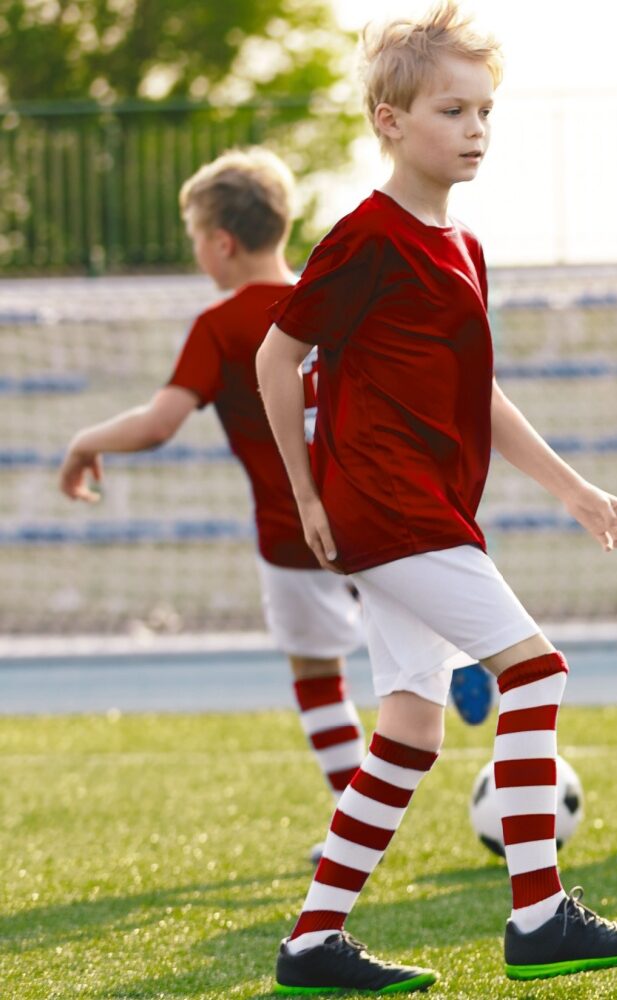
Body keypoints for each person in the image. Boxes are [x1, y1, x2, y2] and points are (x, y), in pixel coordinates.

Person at [259, 5, 617, 992]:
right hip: (388, 506)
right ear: (390, 119)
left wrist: (570, 487)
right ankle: (539, 914)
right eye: (452, 109)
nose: (476, 128)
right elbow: (280, 357)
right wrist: (307, 491)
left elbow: (473, 394)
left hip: (425, 508)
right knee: (534, 673)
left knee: (410, 728)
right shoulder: (364, 237)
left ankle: (312, 942)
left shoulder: (463, 248)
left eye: (485, 110)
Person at [56, 149, 381, 856]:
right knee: (400, 646)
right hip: (375, 512)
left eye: (194, 236)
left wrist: (86, 440)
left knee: (319, 675)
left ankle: (358, 824)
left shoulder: (222, 325)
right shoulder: (327, 298)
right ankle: (452, 666)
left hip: (295, 534)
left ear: (221, 243)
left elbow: (159, 422)